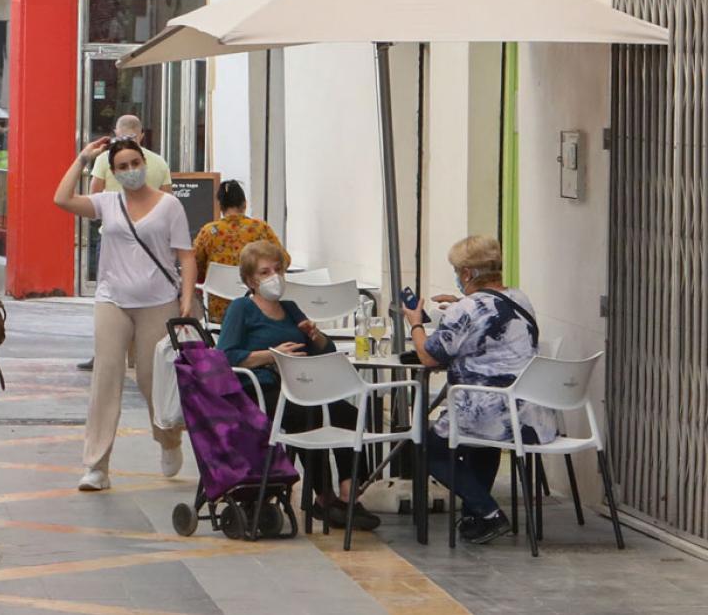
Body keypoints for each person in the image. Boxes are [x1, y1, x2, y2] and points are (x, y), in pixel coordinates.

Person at [54, 137, 195, 491]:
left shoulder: (169, 206)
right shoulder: (108, 203)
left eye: (135, 163)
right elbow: (62, 199)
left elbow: (186, 256)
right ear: (113, 172)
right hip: (112, 299)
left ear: (144, 164)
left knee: (152, 380)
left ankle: (168, 439)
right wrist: (83, 158)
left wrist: (187, 299)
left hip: (158, 301)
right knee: (106, 378)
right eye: (123, 166)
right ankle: (96, 465)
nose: (131, 171)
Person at [216, 240, 380, 531]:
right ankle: (323, 496)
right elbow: (226, 355)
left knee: (347, 414)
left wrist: (314, 334)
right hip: (263, 389)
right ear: (251, 279)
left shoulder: (291, 309)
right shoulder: (242, 308)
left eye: (278, 269)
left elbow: (325, 351)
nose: (274, 277)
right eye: (265, 271)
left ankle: (348, 494)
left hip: (304, 385)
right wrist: (273, 355)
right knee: (309, 416)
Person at [403, 234, 553, 545]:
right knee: (480, 444)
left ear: (468, 273)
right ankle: (476, 515)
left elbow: (429, 356)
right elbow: (491, 323)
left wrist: (415, 323)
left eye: (457, 271)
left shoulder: (467, 310)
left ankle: (488, 512)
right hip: (526, 411)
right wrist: (462, 306)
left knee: (426, 446)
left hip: (486, 408)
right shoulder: (519, 298)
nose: (457, 277)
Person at [78, 115, 173, 372]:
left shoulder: (104, 160)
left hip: (114, 239)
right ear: (142, 136)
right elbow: (168, 202)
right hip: (150, 242)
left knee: (111, 298)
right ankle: (140, 355)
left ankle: (108, 354)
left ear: (115, 134)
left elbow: (93, 198)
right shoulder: (158, 162)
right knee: (145, 299)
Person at [193, 180, 289, 325]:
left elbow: (195, 268)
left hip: (220, 312)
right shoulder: (260, 228)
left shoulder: (208, 232)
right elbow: (285, 261)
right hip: (257, 307)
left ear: (221, 206)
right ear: (244, 204)